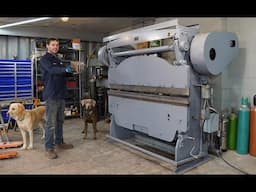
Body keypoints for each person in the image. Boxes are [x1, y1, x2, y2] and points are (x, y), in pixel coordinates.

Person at [40, 38, 74, 159]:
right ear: (47, 46)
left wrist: (71, 71)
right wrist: (65, 69)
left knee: (60, 121)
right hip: (52, 95)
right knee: (51, 124)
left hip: (61, 95)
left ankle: (59, 142)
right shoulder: (45, 59)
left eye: (57, 45)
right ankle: (49, 148)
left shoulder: (58, 59)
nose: (55, 47)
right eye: (53, 45)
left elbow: (63, 74)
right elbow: (52, 70)